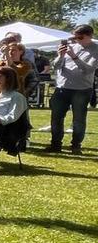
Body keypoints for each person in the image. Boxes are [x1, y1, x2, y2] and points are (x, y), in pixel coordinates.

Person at [46, 24, 98, 154]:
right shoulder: (71, 46)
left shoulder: (96, 49)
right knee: (56, 117)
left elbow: (88, 70)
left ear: (90, 36)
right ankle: (55, 144)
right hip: (62, 87)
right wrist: (61, 55)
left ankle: (76, 146)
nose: (77, 40)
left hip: (81, 89)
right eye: (75, 37)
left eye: (80, 37)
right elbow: (56, 66)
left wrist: (74, 56)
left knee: (79, 119)